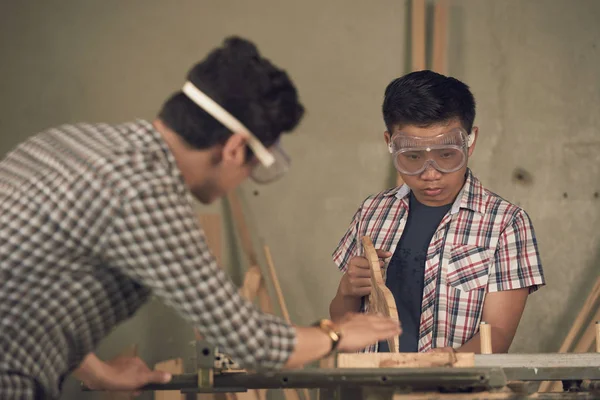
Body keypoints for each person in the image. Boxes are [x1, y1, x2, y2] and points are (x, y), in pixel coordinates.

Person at [0, 36, 401, 400]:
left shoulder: (72, 141)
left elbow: (38, 293)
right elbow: (251, 343)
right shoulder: (146, 193)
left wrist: (99, 372)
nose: (243, 180)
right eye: (252, 167)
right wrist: (335, 334)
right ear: (233, 148)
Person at [328, 70, 545, 355]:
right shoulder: (373, 212)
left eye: (446, 155)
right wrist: (347, 289)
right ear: (390, 143)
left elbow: (499, 335)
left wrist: (449, 362)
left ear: (471, 140)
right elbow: (340, 322)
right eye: (413, 157)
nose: (430, 174)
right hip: (373, 388)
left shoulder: (505, 223)